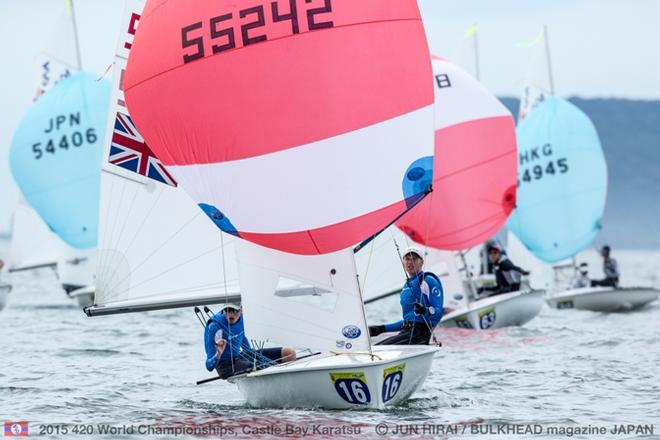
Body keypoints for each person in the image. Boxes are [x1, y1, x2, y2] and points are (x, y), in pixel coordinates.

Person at [368, 246, 444, 345]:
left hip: (419, 335)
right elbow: (409, 320)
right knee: (376, 348)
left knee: (378, 350)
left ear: (422, 262)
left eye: (414, 259)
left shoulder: (428, 280)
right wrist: (380, 329)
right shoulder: (406, 285)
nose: (410, 262)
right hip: (407, 332)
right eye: (407, 259)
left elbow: (438, 311)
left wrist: (425, 310)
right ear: (403, 262)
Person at [204, 304, 296, 379]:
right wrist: (218, 354)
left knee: (289, 352)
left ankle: (291, 381)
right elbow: (209, 367)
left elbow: (246, 347)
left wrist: (255, 356)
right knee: (263, 365)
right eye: (227, 310)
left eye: (234, 310)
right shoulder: (215, 327)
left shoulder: (243, 320)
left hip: (240, 358)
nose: (230, 314)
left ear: (241, 309)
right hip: (225, 366)